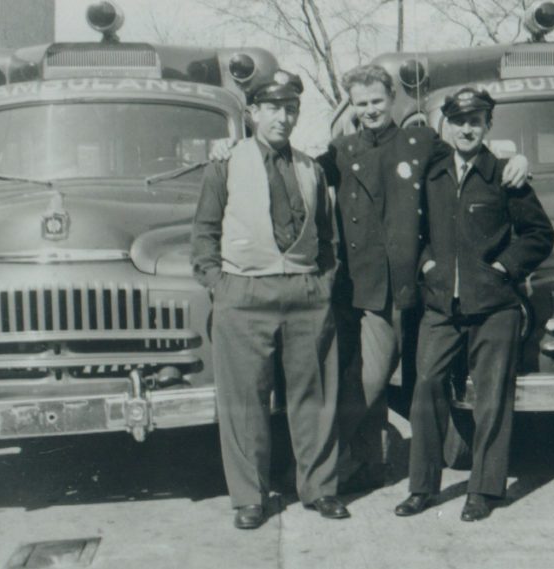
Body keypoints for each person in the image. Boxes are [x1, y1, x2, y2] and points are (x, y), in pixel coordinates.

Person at [212, 64, 530, 494]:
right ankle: (344, 466)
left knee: (401, 382)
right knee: (361, 380)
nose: (370, 110)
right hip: (362, 288)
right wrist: (234, 147)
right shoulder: (341, 150)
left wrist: (515, 161)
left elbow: (469, 159)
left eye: (377, 101)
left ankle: (351, 467)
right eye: (361, 104)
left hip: (413, 284)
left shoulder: (421, 143)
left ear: (393, 98)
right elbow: (292, 168)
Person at [191, 70, 349, 530]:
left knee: (315, 398)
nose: (283, 117)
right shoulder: (225, 163)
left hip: (305, 293)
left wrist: (323, 282)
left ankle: (320, 489)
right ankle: (250, 497)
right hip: (243, 292)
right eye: (274, 108)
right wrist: (219, 285)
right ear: (253, 113)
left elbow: (327, 237)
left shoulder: (311, 168)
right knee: (245, 402)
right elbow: (204, 234)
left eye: (291, 109)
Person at [394, 86, 554, 522]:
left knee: (491, 399)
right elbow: (414, 231)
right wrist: (426, 265)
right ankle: (422, 488)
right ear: (446, 125)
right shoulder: (431, 174)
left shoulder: (504, 174)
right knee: (426, 386)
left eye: (475, 121)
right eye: (459, 121)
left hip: (495, 306)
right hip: (440, 307)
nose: (466, 129)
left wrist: (504, 267)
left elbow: (540, 234)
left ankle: (483, 490)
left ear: (488, 125)